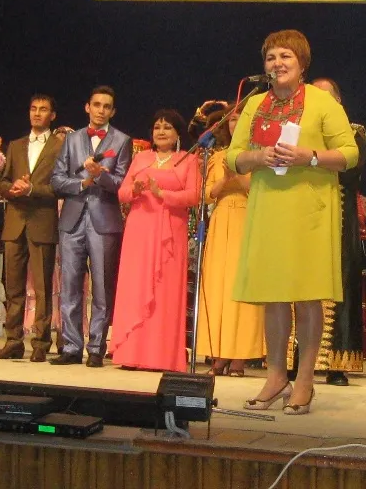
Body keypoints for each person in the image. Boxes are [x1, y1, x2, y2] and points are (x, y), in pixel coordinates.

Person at [229, 30, 359, 415]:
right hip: (268, 208)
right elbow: (233, 156)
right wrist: (258, 157)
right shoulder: (255, 104)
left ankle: (304, 381)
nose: (277, 63)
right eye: (271, 57)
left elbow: (350, 153)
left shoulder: (321, 101)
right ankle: (275, 377)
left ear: (302, 63)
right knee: (272, 296)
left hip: (308, 212)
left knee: (306, 296)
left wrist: (310, 156)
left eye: (285, 56)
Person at [109, 109, 200, 372]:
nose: (161, 132)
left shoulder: (188, 159)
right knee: (136, 287)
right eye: (157, 127)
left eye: (167, 127)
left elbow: (194, 196)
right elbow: (122, 193)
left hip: (170, 231)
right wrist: (135, 190)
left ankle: (161, 355)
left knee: (164, 291)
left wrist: (163, 194)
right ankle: (131, 352)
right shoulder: (141, 158)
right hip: (139, 228)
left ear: (177, 133)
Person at [49, 86, 132, 367]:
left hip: (104, 220)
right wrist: (83, 182)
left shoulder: (122, 140)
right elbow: (57, 179)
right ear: (87, 107)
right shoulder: (72, 139)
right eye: (96, 105)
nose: (101, 110)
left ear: (113, 111)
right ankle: (71, 347)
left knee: (102, 286)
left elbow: (122, 183)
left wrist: (99, 177)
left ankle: (96, 346)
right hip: (72, 218)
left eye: (107, 106)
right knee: (70, 285)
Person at [297, 77, 366, 387]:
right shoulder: (299, 132)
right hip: (304, 212)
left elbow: (350, 171)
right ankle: (297, 360)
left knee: (339, 282)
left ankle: (336, 364)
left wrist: (312, 158)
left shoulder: (354, 132)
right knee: (300, 282)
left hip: (338, 214)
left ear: (338, 101)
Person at [0, 95, 67, 363]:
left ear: (52, 115)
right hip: (15, 222)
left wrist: (32, 189)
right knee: (13, 286)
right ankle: (13, 340)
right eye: (33, 109)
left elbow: (60, 187)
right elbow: (1, 182)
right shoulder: (16, 145)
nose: (37, 113)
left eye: (43, 109)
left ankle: (41, 342)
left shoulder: (60, 146)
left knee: (43, 287)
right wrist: (11, 188)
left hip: (42, 221)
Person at [196, 101, 265, 376]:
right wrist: (225, 179)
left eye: (240, 118)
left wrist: (237, 174)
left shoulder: (258, 156)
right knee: (218, 287)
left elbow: (258, 191)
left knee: (241, 287)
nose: (236, 123)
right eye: (232, 119)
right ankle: (219, 353)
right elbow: (206, 195)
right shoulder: (217, 156)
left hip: (247, 219)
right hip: (221, 219)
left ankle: (240, 355)